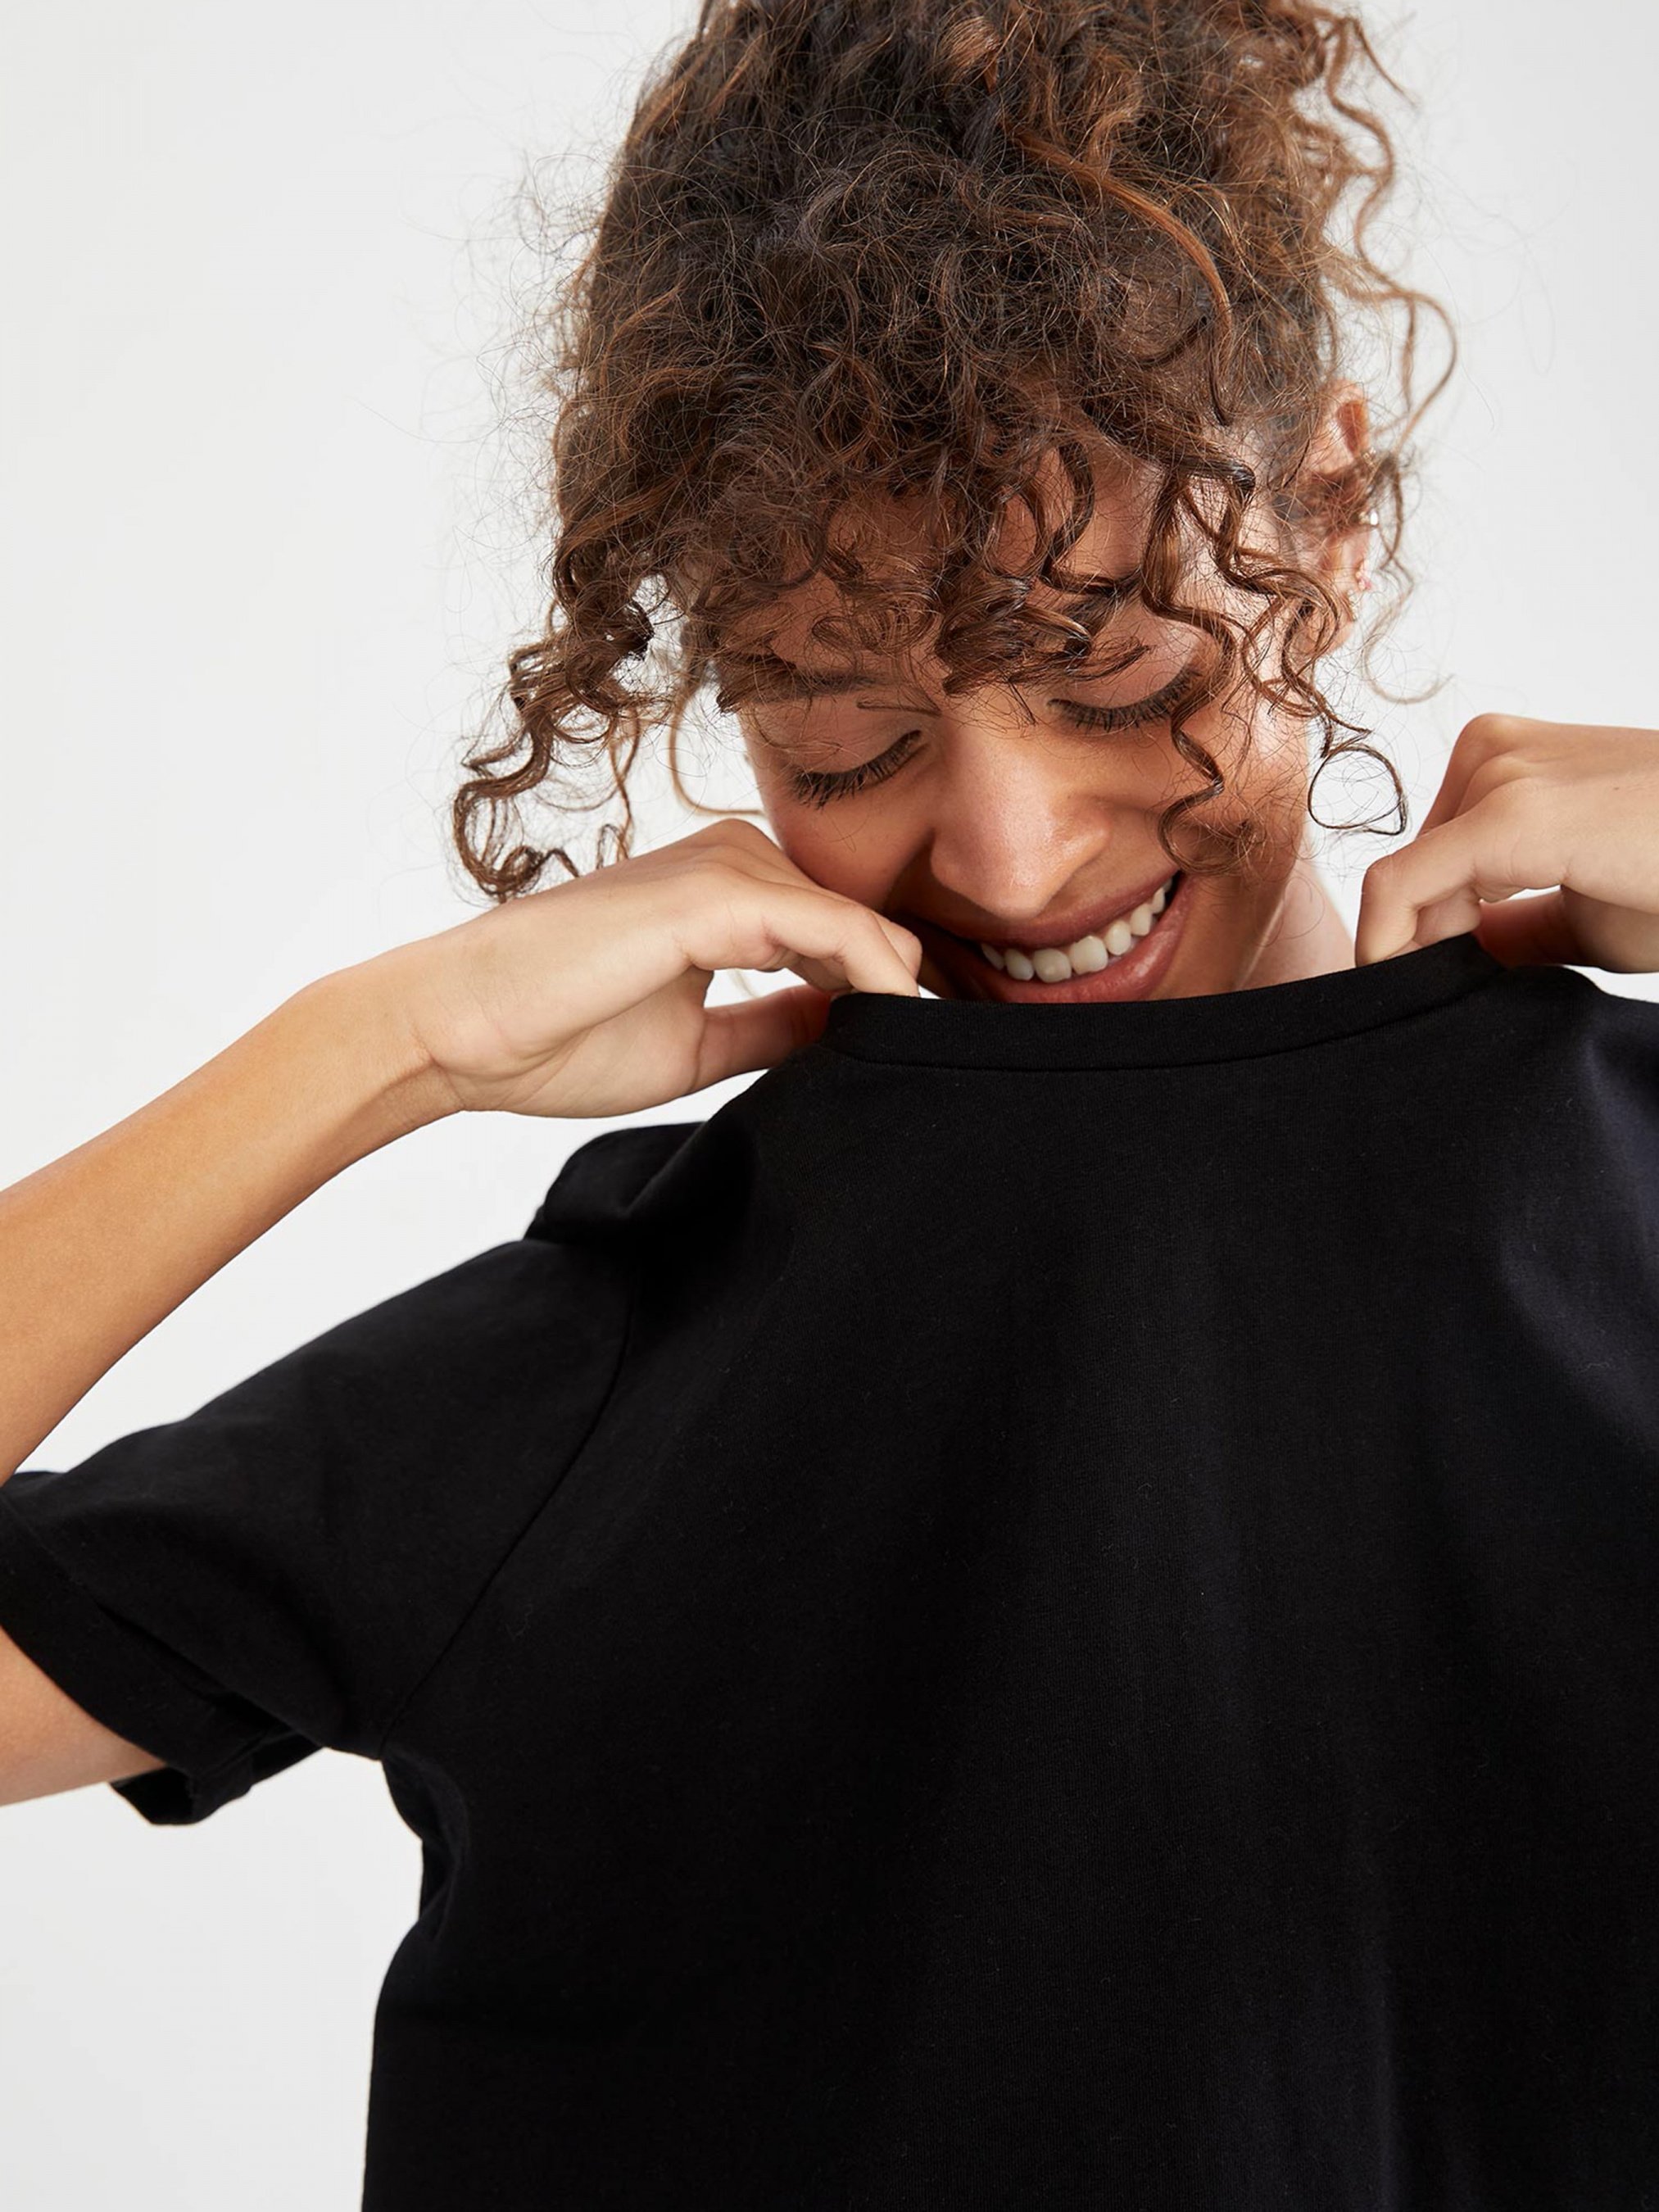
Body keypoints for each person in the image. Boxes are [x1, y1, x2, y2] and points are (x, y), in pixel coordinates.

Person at [3, 2, 1658, 2205]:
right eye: (844, 742)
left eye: (1114, 672)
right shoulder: (635, 1339)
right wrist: (382, 1045)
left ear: (1329, 514)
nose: (1011, 858)